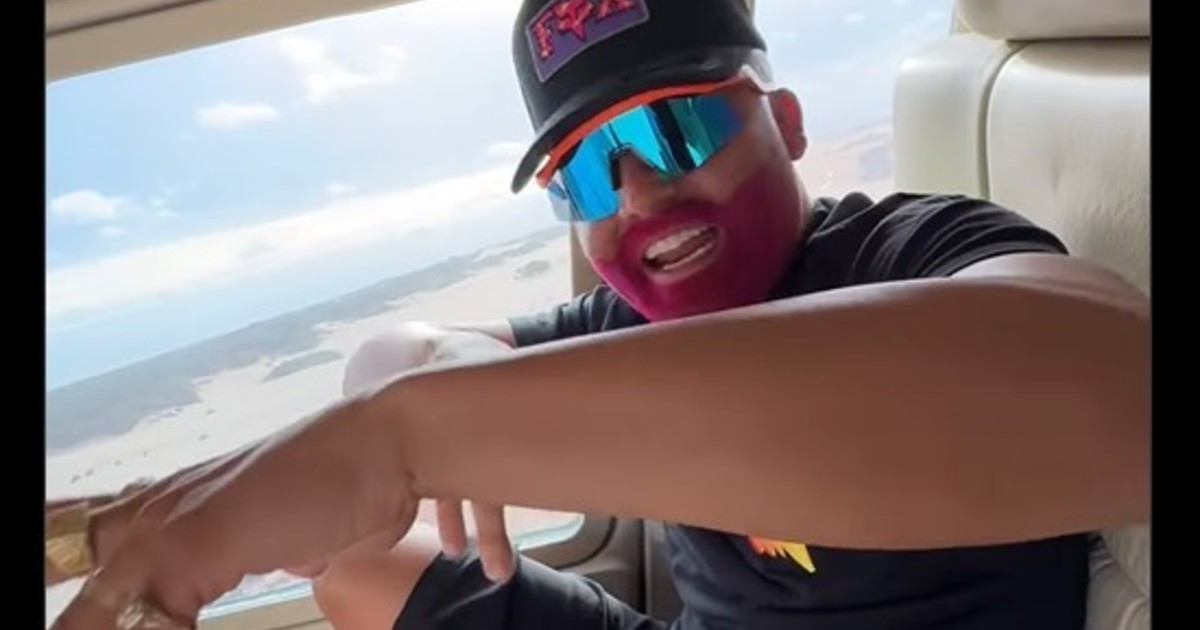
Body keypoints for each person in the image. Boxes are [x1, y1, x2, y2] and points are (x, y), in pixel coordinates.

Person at [49, 0, 1149, 629]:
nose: (638, 196)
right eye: (584, 175)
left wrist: (410, 435)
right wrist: (416, 373)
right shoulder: (623, 327)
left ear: (787, 123)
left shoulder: (916, 251)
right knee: (341, 558)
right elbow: (403, 352)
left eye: (676, 132)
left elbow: (1120, 397)